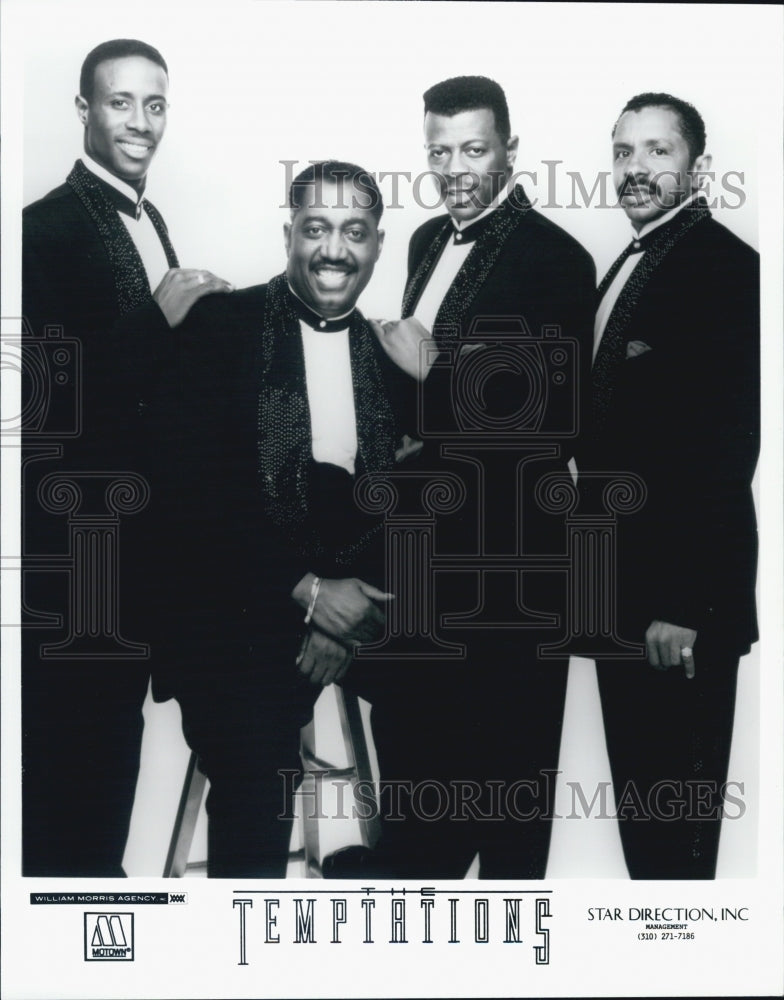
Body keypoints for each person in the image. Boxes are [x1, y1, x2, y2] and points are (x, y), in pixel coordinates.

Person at [326, 76, 595, 878]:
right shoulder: (423, 243)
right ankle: (412, 883)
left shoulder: (556, 258)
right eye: (439, 152)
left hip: (515, 559)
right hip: (429, 551)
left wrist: (435, 372)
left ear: (511, 148)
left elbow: (555, 425)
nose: (454, 169)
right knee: (421, 751)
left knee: (511, 785)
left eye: (473, 150)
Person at [21, 38, 232, 876]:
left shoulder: (153, 219)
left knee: (114, 769)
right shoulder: (41, 228)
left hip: (148, 558)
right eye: (121, 103)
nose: (140, 122)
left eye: (155, 105)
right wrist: (159, 314)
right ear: (83, 111)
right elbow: (44, 417)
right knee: (67, 785)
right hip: (76, 562)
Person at [163, 161, 405, 877]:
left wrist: (348, 614)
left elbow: (404, 502)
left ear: (378, 245)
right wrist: (308, 594)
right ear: (288, 234)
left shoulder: (385, 354)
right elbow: (195, 499)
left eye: (354, 232)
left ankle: (390, 889)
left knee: (457, 710)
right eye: (317, 229)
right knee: (259, 773)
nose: (335, 250)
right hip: (231, 616)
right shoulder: (222, 328)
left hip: (347, 606)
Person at [582, 93, 759, 878]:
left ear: (698, 166)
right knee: (644, 838)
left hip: (680, 610)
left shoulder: (725, 267)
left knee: (679, 853)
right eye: (624, 152)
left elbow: (728, 445)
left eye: (658, 151)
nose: (637, 169)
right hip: (620, 593)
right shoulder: (628, 263)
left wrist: (684, 605)